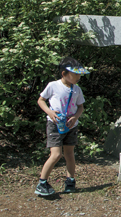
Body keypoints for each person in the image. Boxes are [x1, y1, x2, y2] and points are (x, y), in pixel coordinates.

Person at [35, 57, 90, 196]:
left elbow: (80, 107)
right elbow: (41, 100)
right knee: (56, 154)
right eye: (76, 74)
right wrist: (49, 112)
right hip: (55, 125)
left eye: (79, 74)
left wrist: (75, 117)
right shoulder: (53, 86)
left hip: (71, 126)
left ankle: (70, 181)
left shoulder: (77, 89)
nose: (79, 77)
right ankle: (42, 182)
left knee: (69, 154)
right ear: (64, 74)